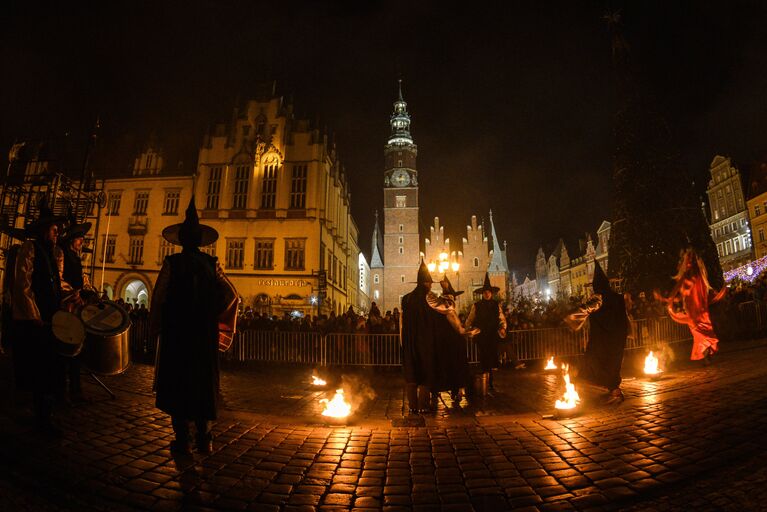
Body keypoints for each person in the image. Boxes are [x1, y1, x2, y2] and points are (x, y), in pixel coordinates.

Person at [150, 197, 237, 455]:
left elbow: (158, 298)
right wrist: (212, 317)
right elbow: (232, 296)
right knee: (203, 384)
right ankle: (204, 437)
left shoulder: (172, 263)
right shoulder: (212, 265)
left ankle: (182, 440)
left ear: (182, 240)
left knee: (179, 384)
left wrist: (156, 329)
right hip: (203, 336)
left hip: (178, 335)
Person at [12, 198, 71, 435]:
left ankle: (47, 414)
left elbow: (56, 283)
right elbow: (22, 285)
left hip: (51, 318)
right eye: (54, 230)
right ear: (45, 230)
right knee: (40, 370)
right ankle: (41, 417)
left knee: (51, 369)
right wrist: (34, 315)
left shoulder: (53, 253)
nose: (57, 234)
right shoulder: (30, 248)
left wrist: (73, 293)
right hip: (38, 321)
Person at [565, 262, 628, 404]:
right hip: (617, 339)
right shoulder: (618, 297)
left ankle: (613, 391)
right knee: (613, 364)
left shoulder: (598, 298)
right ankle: (614, 389)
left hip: (602, 340)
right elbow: (625, 317)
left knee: (595, 361)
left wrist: (567, 319)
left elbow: (583, 311)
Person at [657, 248, 725, 364]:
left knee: (701, 334)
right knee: (701, 334)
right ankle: (707, 356)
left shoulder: (695, 274)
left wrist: (670, 299)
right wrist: (671, 298)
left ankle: (707, 357)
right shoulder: (696, 274)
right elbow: (682, 289)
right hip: (697, 311)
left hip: (697, 312)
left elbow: (682, 289)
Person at [59, 217, 94, 402]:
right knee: (67, 349)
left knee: (76, 350)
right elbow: (60, 280)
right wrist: (74, 294)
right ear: (72, 239)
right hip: (67, 306)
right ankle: (65, 389)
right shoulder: (63, 254)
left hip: (76, 305)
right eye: (80, 238)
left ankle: (75, 387)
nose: (82, 241)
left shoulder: (75, 257)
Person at [428, 276, 477, 403]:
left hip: (441, 342)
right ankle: (455, 390)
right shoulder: (448, 307)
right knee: (454, 366)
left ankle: (439, 391)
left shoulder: (438, 308)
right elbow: (458, 327)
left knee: (442, 366)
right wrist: (466, 332)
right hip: (453, 343)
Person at [400, 261, 440, 413]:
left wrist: (403, 342)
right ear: (427, 283)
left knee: (411, 373)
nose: (430, 285)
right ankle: (423, 405)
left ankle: (412, 406)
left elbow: (402, 323)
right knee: (425, 370)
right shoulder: (430, 297)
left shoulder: (406, 298)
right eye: (429, 282)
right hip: (425, 341)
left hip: (410, 342)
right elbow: (447, 308)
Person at [465, 273, 506, 392]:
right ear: (483, 294)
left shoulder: (496, 305)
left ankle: (490, 381)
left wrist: (503, 327)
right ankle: (486, 382)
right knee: (484, 358)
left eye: (489, 292)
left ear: (491, 293)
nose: (487, 294)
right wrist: (468, 330)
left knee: (491, 359)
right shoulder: (476, 306)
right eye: (485, 292)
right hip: (482, 336)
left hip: (492, 336)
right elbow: (470, 319)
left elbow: (501, 318)